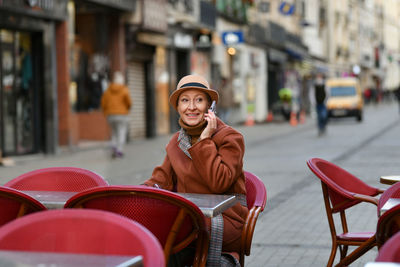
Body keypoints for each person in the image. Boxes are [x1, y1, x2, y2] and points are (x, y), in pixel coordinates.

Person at [142, 74, 248, 266]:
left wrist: (205, 141)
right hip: (189, 221)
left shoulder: (231, 138)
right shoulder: (176, 142)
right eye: (185, 100)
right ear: (178, 108)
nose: (191, 107)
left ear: (210, 106)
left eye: (199, 100)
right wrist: (129, 196)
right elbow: (159, 182)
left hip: (224, 221)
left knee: (171, 236)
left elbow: (219, 182)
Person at [101, 71, 132, 158]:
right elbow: (129, 102)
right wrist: (127, 109)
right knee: (121, 132)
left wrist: (106, 112)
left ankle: (114, 146)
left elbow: (103, 103)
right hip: (122, 115)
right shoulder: (124, 89)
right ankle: (119, 150)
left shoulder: (108, 91)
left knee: (114, 132)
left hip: (110, 115)